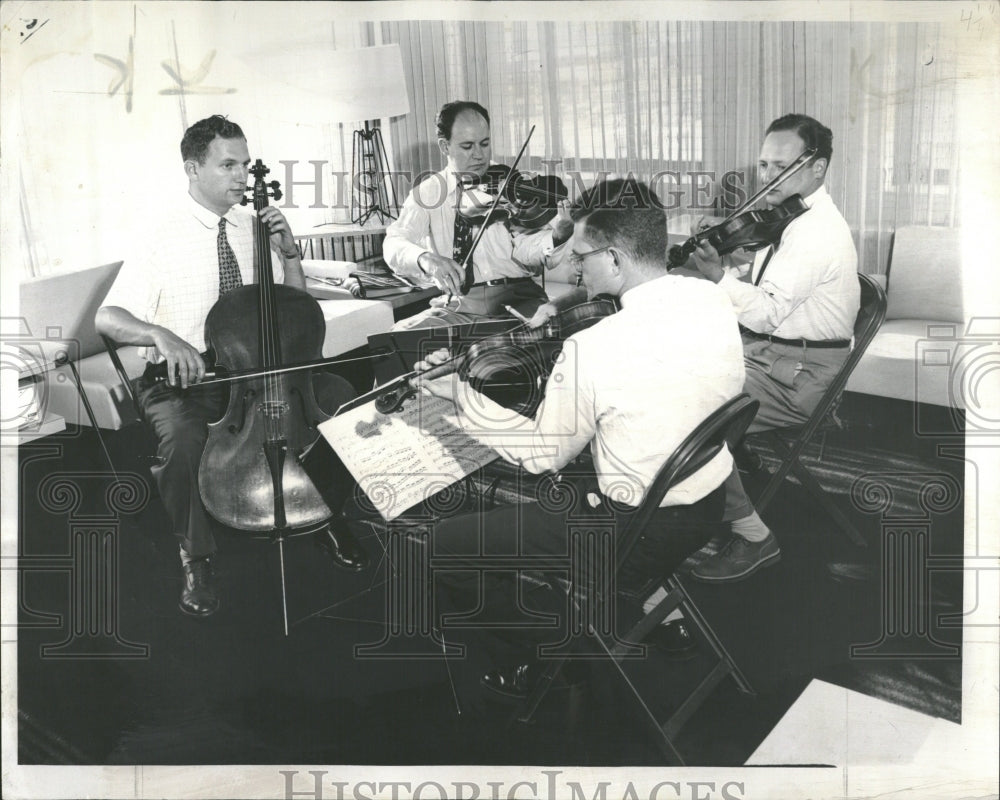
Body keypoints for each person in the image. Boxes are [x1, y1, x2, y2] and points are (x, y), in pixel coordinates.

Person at [414, 178, 753, 700]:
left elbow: (540, 456)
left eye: (582, 256)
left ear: (615, 259)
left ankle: (537, 658)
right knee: (585, 461)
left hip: (636, 533)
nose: (575, 267)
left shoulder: (594, 347)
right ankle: (655, 608)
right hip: (705, 505)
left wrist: (458, 396)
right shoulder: (710, 298)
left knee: (445, 547)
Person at [95, 114, 368, 618]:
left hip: (256, 370)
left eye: (245, 164)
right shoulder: (159, 235)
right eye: (228, 165)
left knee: (339, 404)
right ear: (193, 169)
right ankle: (196, 555)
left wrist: (290, 255)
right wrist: (160, 334)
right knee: (182, 442)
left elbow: (293, 310)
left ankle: (324, 516)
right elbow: (108, 316)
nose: (243, 176)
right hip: (185, 376)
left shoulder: (253, 224)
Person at [687, 113, 861, 583]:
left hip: (801, 377)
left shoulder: (815, 231)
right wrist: (733, 269)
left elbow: (764, 313)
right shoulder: (788, 215)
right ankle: (728, 467)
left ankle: (753, 535)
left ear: (817, 168)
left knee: (687, 413)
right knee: (679, 370)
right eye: (764, 165)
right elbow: (762, 284)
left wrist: (716, 276)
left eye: (779, 166)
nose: (766, 178)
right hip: (771, 356)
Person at [382, 100, 573, 332]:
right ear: (445, 147)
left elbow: (529, 252)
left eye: (485, 143)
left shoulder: (511, 184)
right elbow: (393, 242)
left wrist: (558, 236)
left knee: (544, 336)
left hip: (519, 298)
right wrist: (427, 259)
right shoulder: (428, 192)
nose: (479, 155)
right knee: (399, 338)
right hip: (461, 306)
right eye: (467, 146)